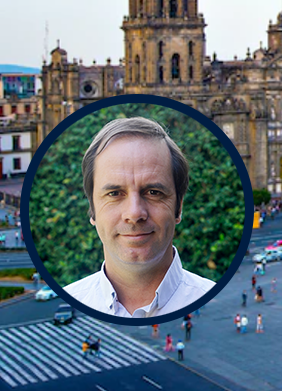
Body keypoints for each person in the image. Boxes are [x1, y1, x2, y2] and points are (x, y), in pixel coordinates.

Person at [63, 118, 215, 317]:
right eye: (114, 194)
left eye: (153, 192)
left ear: (179, 207)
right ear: (92, 209)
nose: (134, 214)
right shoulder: (69, 300)